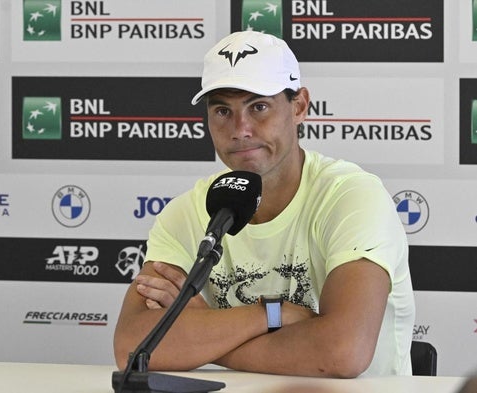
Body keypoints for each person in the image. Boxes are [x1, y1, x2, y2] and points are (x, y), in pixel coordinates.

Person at [113, 30, 415, 378]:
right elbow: (133, 346)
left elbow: (342, 352)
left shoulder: (351, 196)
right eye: (223, 110)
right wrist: (270, 315)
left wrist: (203, 333)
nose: (240, 129)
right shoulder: (185, 212)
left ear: (299, 106)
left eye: (259, 107)